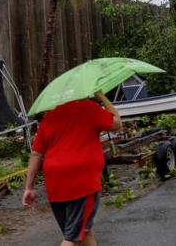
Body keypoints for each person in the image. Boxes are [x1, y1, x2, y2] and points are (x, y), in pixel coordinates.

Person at [23, 90, 122, 246]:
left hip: (56, 185)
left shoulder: (49, 118)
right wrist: (102, 97)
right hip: (82, 183)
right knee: (72, 238)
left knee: (82, 231)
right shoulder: (88, 108)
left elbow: (36, 154)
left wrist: (29, 187)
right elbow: (117, 123)